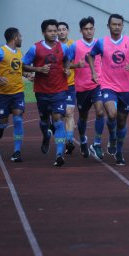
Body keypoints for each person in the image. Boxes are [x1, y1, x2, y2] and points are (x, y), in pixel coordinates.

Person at [88, 14, 129, 166]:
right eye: (114, 24)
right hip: (108, 86)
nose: (117, 27)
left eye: (119, 24)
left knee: (121, 121)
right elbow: (90, 56)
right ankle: (111, 136)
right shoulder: (101, 42)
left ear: (122, 26)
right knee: (111, 113)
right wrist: (94, 72)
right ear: (109, 26)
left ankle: (119, 150)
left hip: (125, 88)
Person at [22, 19, 71, 167]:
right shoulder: (35, 49)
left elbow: (67, 60)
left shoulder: (63, 47)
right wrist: (38, 69)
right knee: (44, 121)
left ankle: (59, 154)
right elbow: (23, 65)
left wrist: (67, 69)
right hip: (42, 90)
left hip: (60, 89)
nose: (54, 33)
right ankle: (45, 136)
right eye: (50, 31)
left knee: (58, 119)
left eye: (55, 31)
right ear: (43, 33)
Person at [65, 16, 106, 159]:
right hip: (82, 88)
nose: (88, 32)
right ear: (81, 31)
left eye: (91, 29)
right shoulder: (75, 46)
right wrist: (76, 65)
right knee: (83, 117)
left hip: (98, 84)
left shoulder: (99, 44)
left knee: (100, 112)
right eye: (85, 29)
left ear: (94, 29)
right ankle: (82, 140)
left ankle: (97, 143)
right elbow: (66, 64)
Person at [0, 27, 26, 163]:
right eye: (20, 36)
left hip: (18, 92)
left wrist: (27, 74)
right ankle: (0, 126)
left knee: (18, 119)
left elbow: (18, 70)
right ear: (15, 37)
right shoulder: (1, 52)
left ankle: (17, 151)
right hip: (3, 94)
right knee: (4, 122)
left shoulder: (19, 53)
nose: (21, 38)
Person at [57, 21, 76, 155]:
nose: (61, 32)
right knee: (58, 116)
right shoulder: (53, 46)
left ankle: (69, 141)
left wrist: (69, 68)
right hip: (56, 86)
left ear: (68, 31)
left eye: (64, 29)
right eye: (59, 30)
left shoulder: (73, 45)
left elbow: (78, 64)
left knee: (69, 113)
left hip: (70, 85)